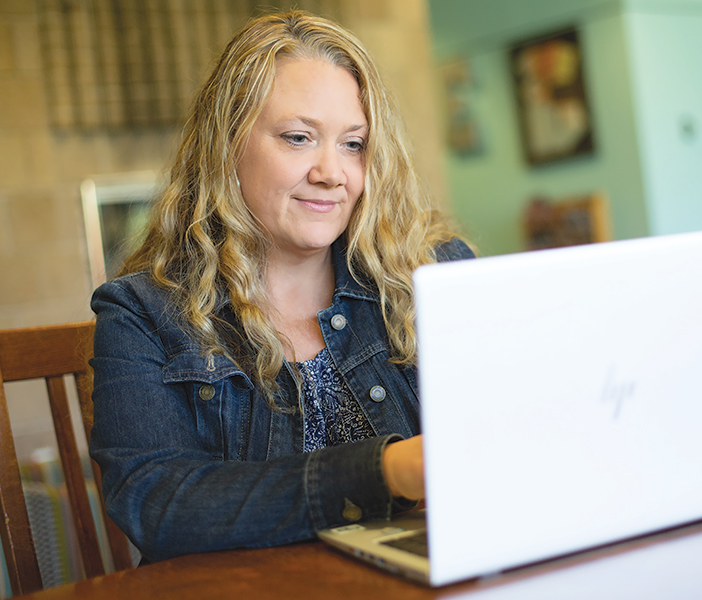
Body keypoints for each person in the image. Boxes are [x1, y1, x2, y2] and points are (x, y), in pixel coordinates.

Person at [89, 10, 473, 563]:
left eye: (353, 144)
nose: (331, 173)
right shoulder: (141, 313)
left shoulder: (431, 275)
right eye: (298, 138)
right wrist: (386, 471)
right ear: (226, 146)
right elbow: (157, 503)